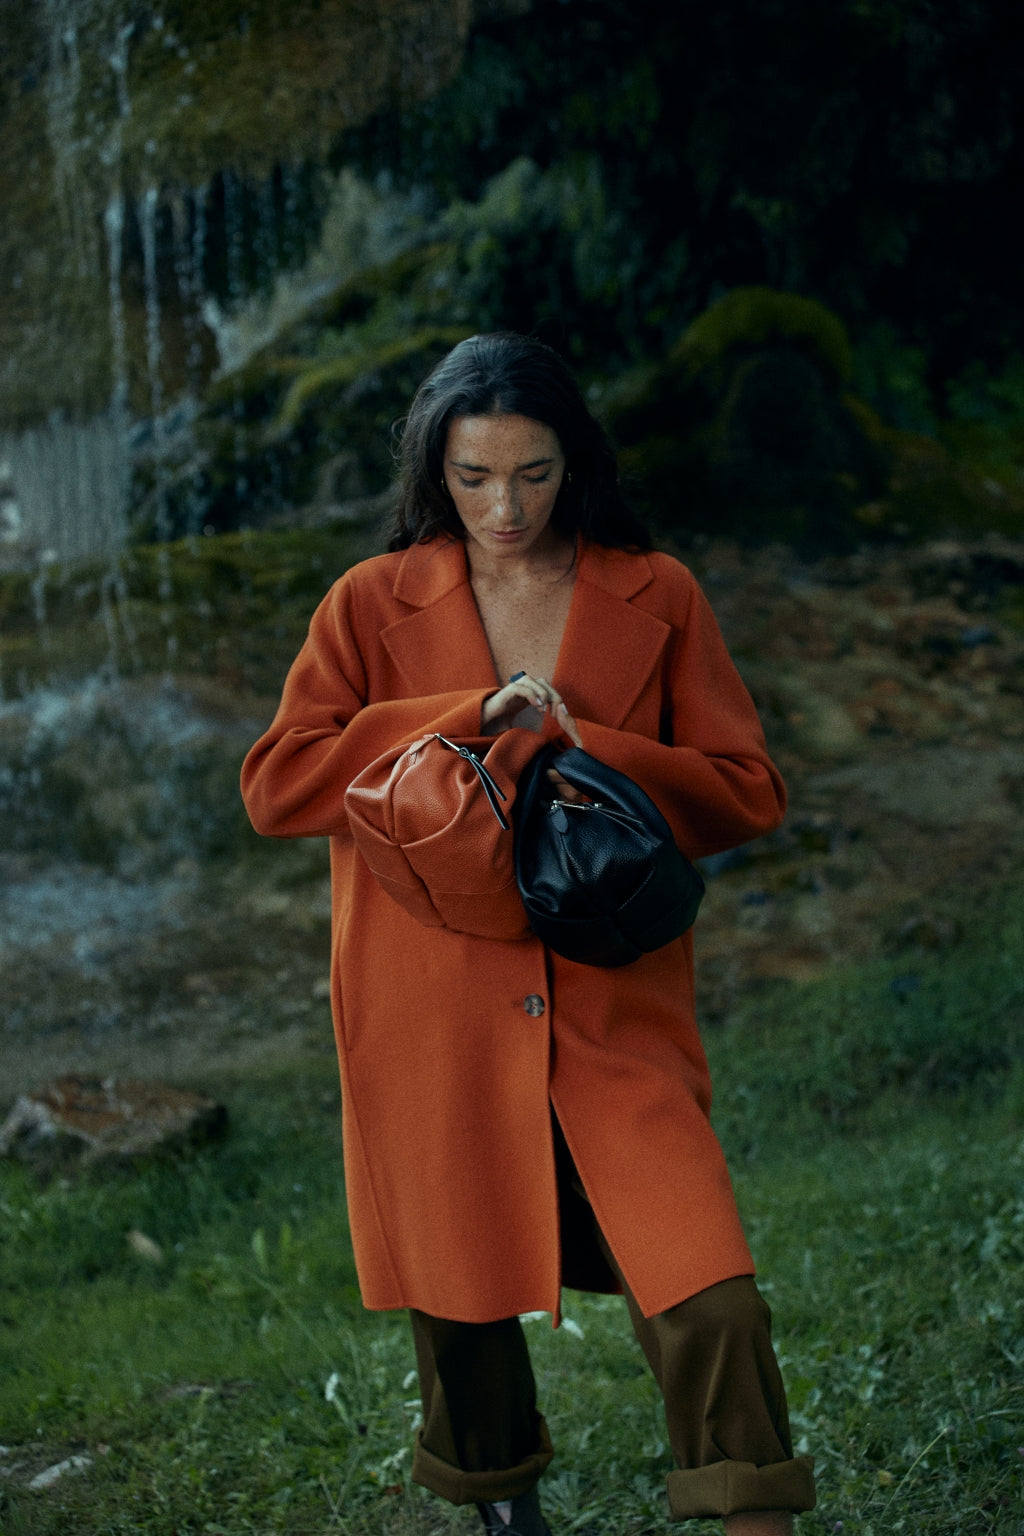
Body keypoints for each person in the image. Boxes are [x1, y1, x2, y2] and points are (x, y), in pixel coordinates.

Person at [240, 332, 816, 1535]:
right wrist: (466, 716)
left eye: (533, 474)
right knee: (457, 1295)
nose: (503, 507)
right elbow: (278, 783)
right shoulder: (365, 601)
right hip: (428, 998)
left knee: (705, 1288)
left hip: (617, 996)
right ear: (432, 471)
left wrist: (581, 745)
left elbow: (745, 787)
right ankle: (499, 1500)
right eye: (472, 477)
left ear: (576, 462)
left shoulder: (654, 592)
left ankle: (751, 1505)